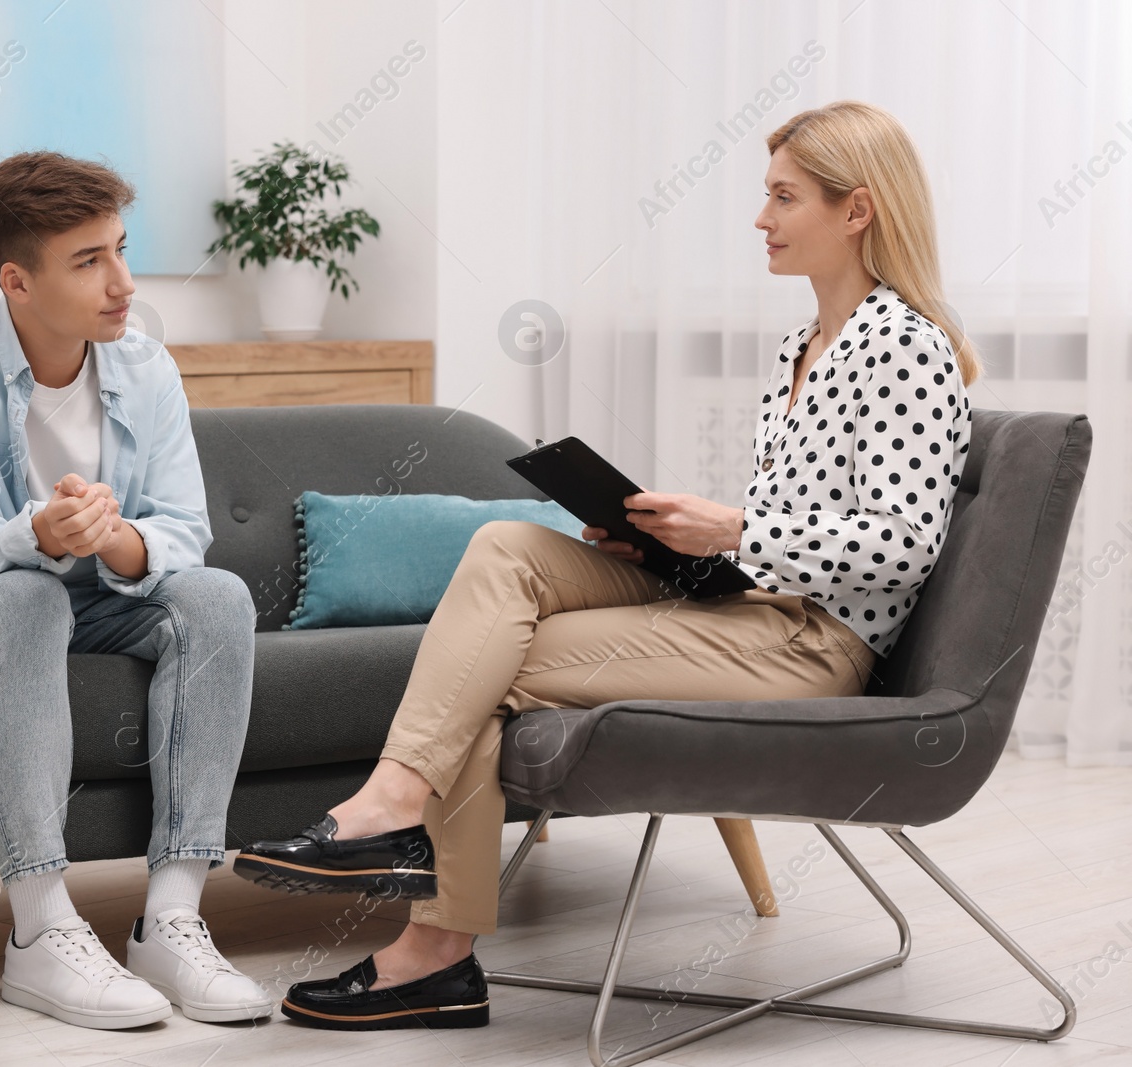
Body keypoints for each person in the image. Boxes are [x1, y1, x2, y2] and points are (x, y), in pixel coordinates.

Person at [235, 99, 978, 1030]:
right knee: (506, 547)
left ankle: (432, 948)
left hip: (812, 642)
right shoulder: (802, 345)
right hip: (749, 601)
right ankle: (395, 806)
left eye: (784, 198)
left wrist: (736, 527)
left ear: (857, 210)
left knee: (488, 667)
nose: (761, 219)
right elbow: (797, 520)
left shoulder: (906, 346)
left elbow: (905, 543)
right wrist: (668, 542)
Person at [0, 150, 272, 1030]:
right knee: (28, 594)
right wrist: (36, 533)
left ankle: (173, 919)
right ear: (17, 280)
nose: (122, 282)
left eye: (120, 248)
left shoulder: (149, 369)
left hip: (100, 593)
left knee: (219, 596)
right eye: (88, 261)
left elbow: (184, 531)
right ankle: (41, 933)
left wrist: (114, 537)